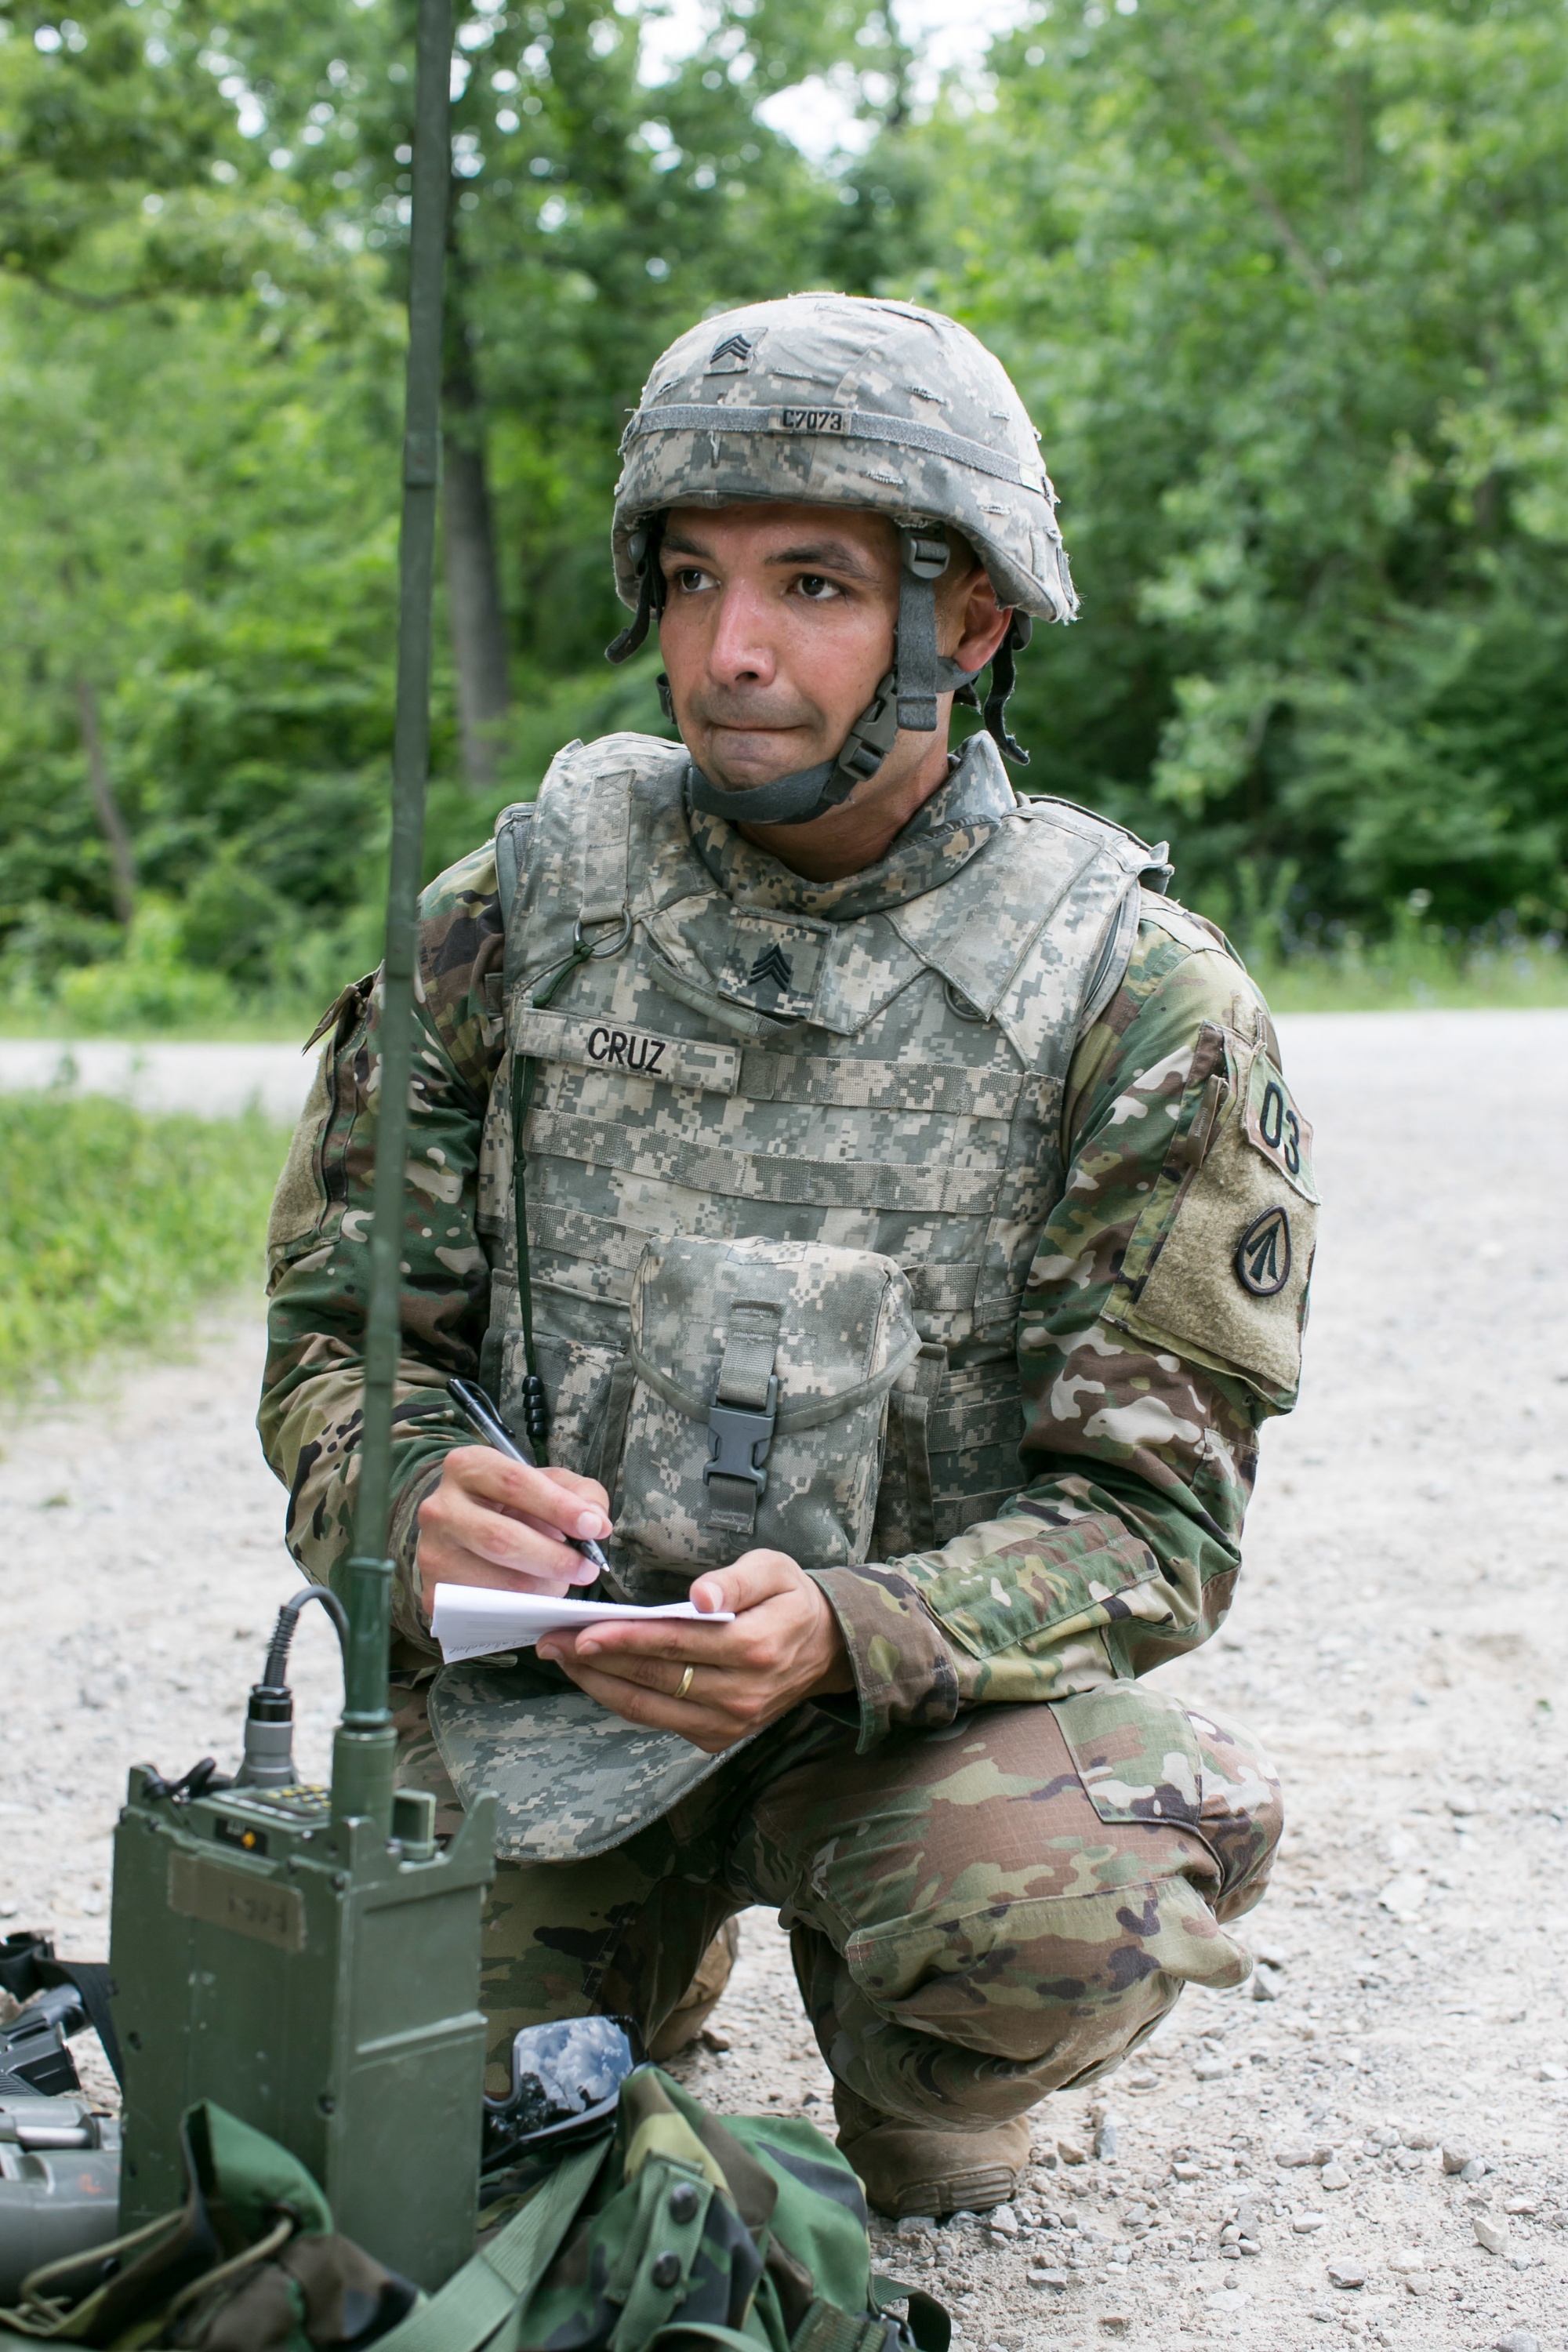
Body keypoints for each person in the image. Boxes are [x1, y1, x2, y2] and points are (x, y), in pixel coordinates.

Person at [260, 294, 1312, 2218]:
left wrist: (850, 1630)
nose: (729, 652)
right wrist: (405, 1492)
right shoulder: (512, 914)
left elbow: (1153, 1526)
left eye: (814, 585)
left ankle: (920, 2075)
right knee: (386, 2118)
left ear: (968, 623)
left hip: (909, 1723)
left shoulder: (1133, 999)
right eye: (688, 580)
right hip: (539, 1707)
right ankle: (628, 1971)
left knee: (1063, 1907)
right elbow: (339, 1347)